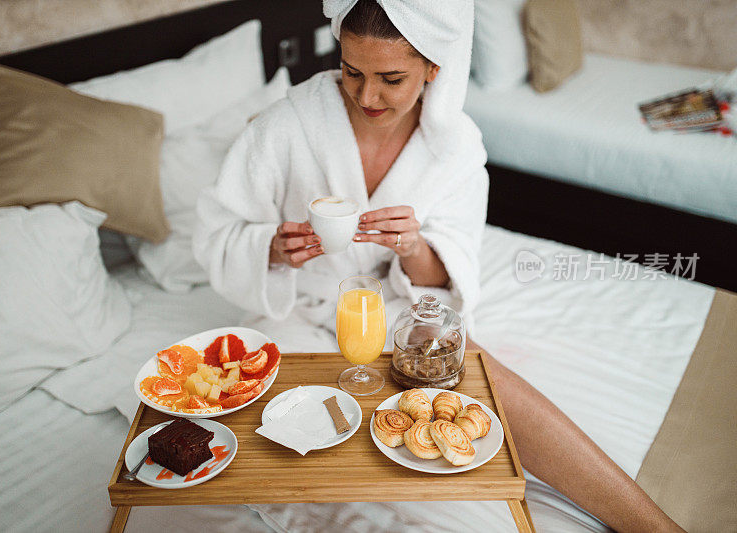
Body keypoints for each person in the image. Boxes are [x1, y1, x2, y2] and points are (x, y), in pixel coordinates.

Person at [194, 0, 684, 531]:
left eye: (391, 78)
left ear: (434, 69)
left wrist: (413, 248)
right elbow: (218, 232)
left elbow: (445, 279)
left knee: (479, 374)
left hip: (398, 305)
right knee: (288, 428)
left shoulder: (454, 147)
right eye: (352, 71)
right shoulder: (286, 125)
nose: (366, 96)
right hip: (299, 309)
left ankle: (654, 525)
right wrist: (270, 248)